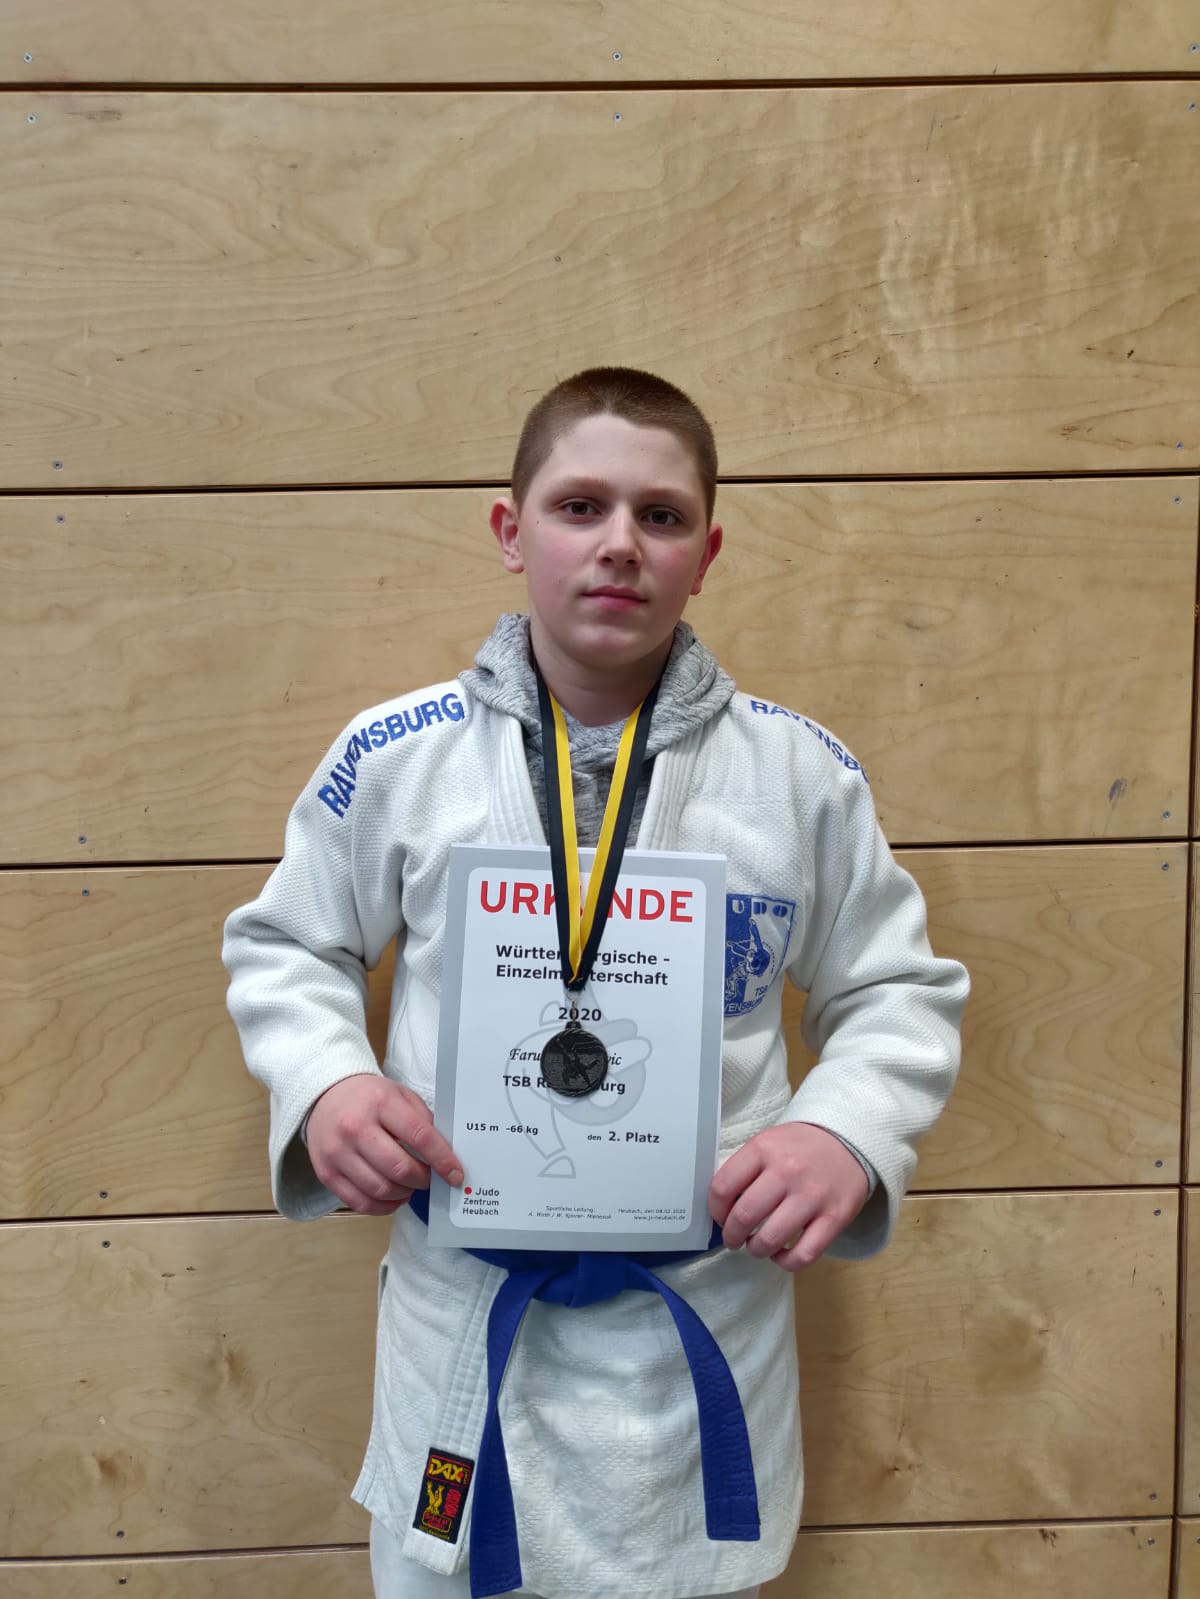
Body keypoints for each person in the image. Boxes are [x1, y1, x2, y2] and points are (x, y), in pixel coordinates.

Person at [222, 367, 969, 1599]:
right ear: (512, 531)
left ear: (705, 553)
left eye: (660, 515)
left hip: (696, 1316)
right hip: (470, 1314)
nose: (620, 543)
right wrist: (327, 1084)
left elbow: (895, 984)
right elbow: (288, 945)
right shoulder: (400, 756)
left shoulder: (797, 777)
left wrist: (846, 1129)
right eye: (580, 506)